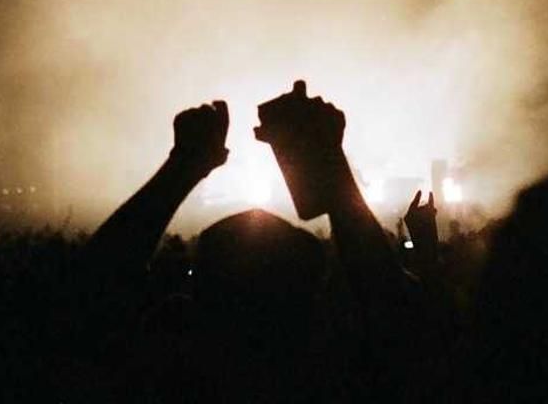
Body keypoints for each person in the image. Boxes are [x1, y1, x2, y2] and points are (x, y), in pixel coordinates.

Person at [82, 82, 434, 400]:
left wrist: (184, 166)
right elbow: (394, 315)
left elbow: (90, 295)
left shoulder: (164, 380)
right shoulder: (332, 382)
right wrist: (329, 166)